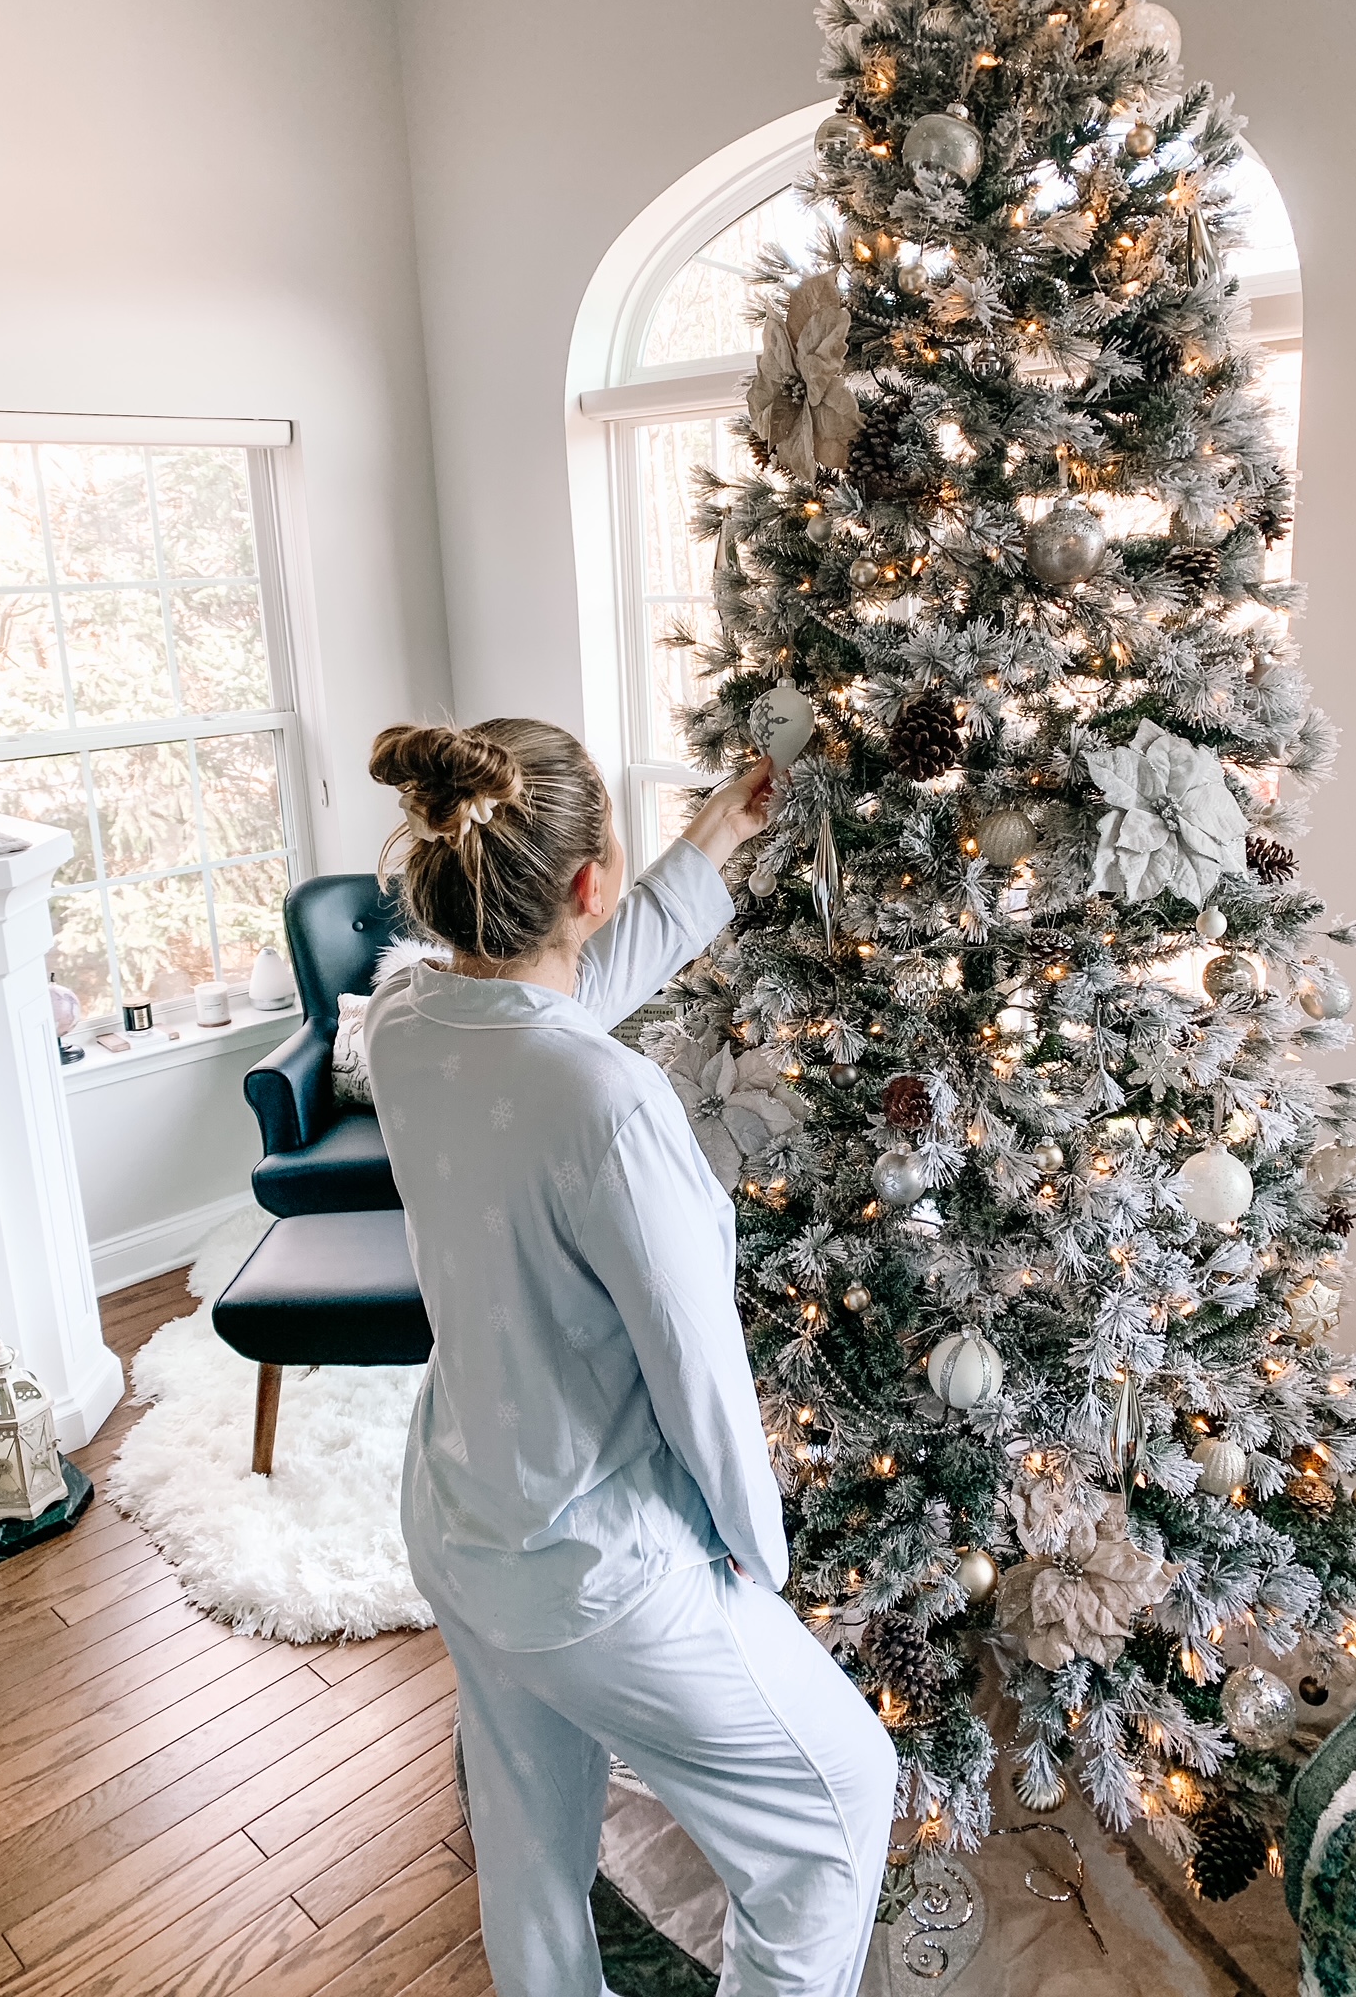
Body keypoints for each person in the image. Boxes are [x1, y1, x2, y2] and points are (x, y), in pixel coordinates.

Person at [364, 716, 897, 1997]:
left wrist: (712, 836)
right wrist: (756, 1563)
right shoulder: (610, 1104)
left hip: (459, 1514)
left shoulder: (402, 1018)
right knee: (840, 1804)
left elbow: (546, 1007)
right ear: (590, 886)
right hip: (596, 1571)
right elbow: (699, 1372)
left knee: (529, 1844)